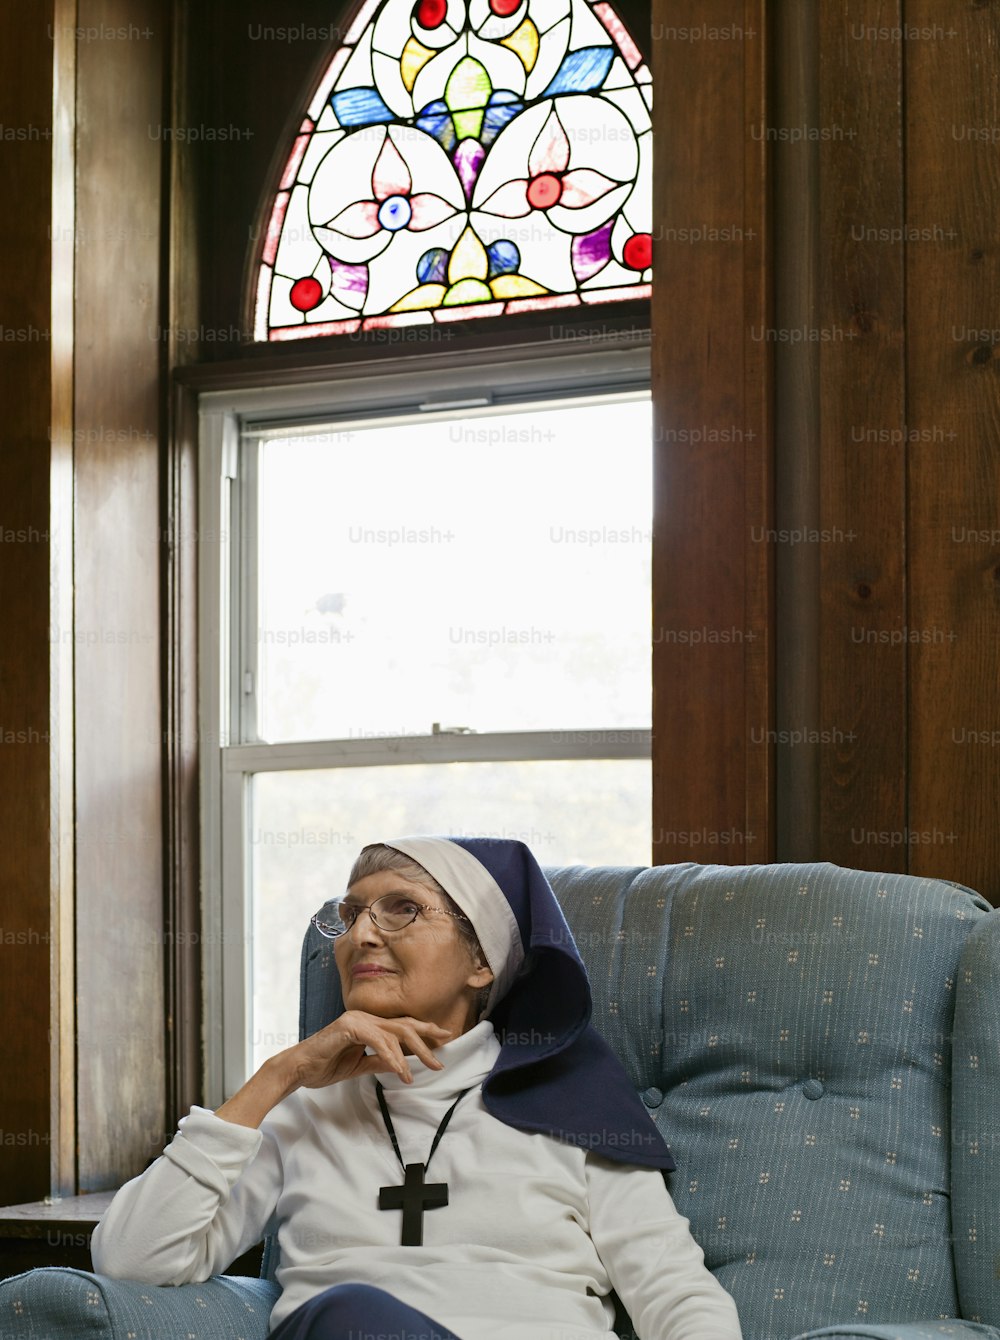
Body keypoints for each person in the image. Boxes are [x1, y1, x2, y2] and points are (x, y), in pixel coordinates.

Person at [91, 835, 742, 1340]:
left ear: (483, 959)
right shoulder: (298, 1111)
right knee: (351, 1316)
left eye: (401, 909)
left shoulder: (575, 1103)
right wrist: (279, 1076)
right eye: (350, 916)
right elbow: (130, 1260)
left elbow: (675, 1295)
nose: (360, 935)